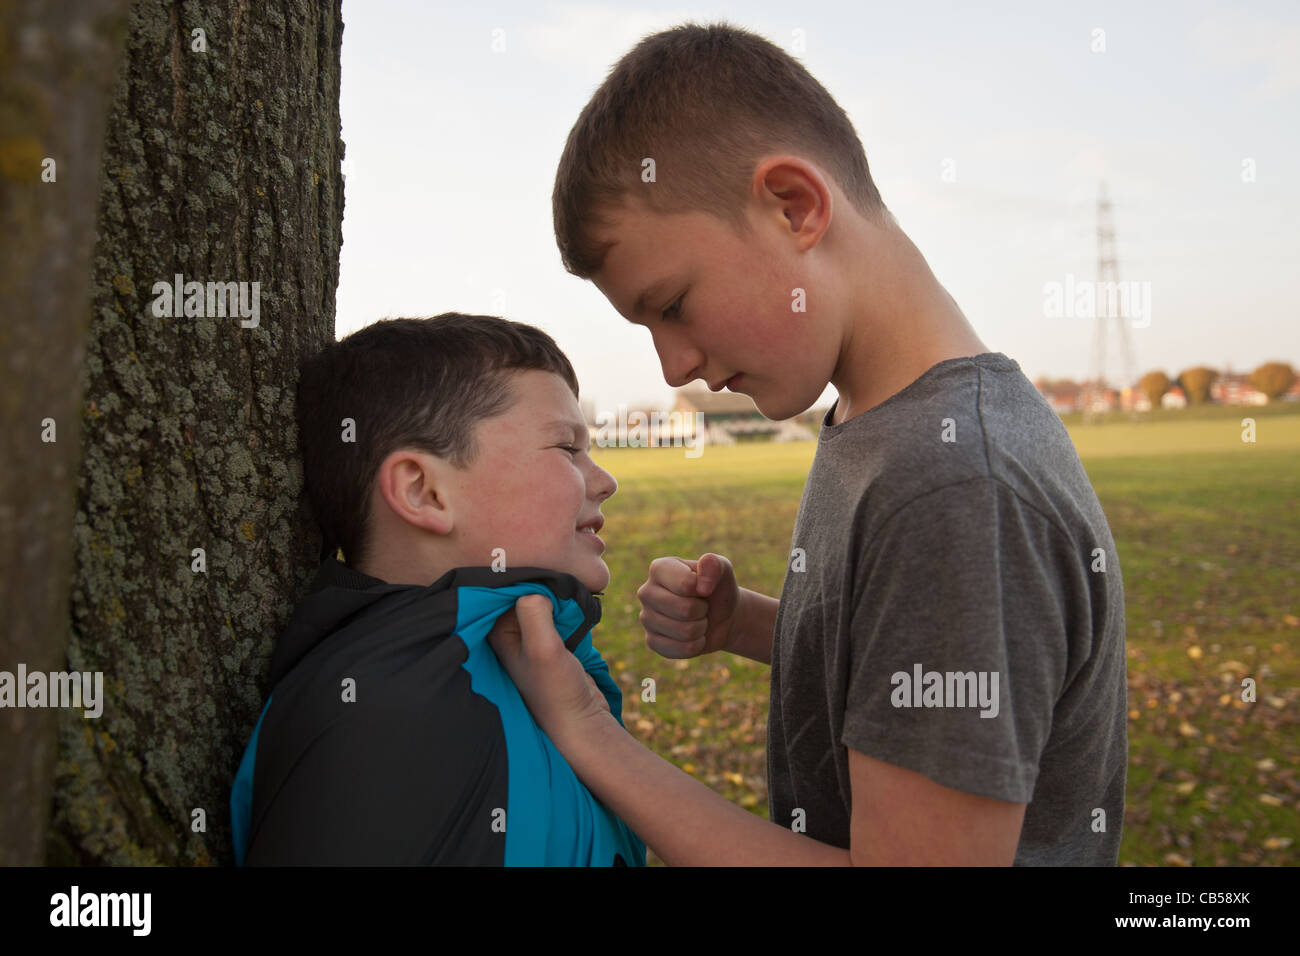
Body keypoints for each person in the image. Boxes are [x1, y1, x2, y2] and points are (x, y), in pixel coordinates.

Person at [487, 21, 1128, 865]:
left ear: (795, 206)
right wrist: (750, 625)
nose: (675, 361)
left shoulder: (953, 488)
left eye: (672, 304)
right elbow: (902, 661)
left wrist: (587, 733)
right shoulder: (884, 425)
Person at [229, 314, 645, 866]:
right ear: (424, 492)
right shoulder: (377, 722)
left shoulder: (525, 659)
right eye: (568, 449)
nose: (604, 481)